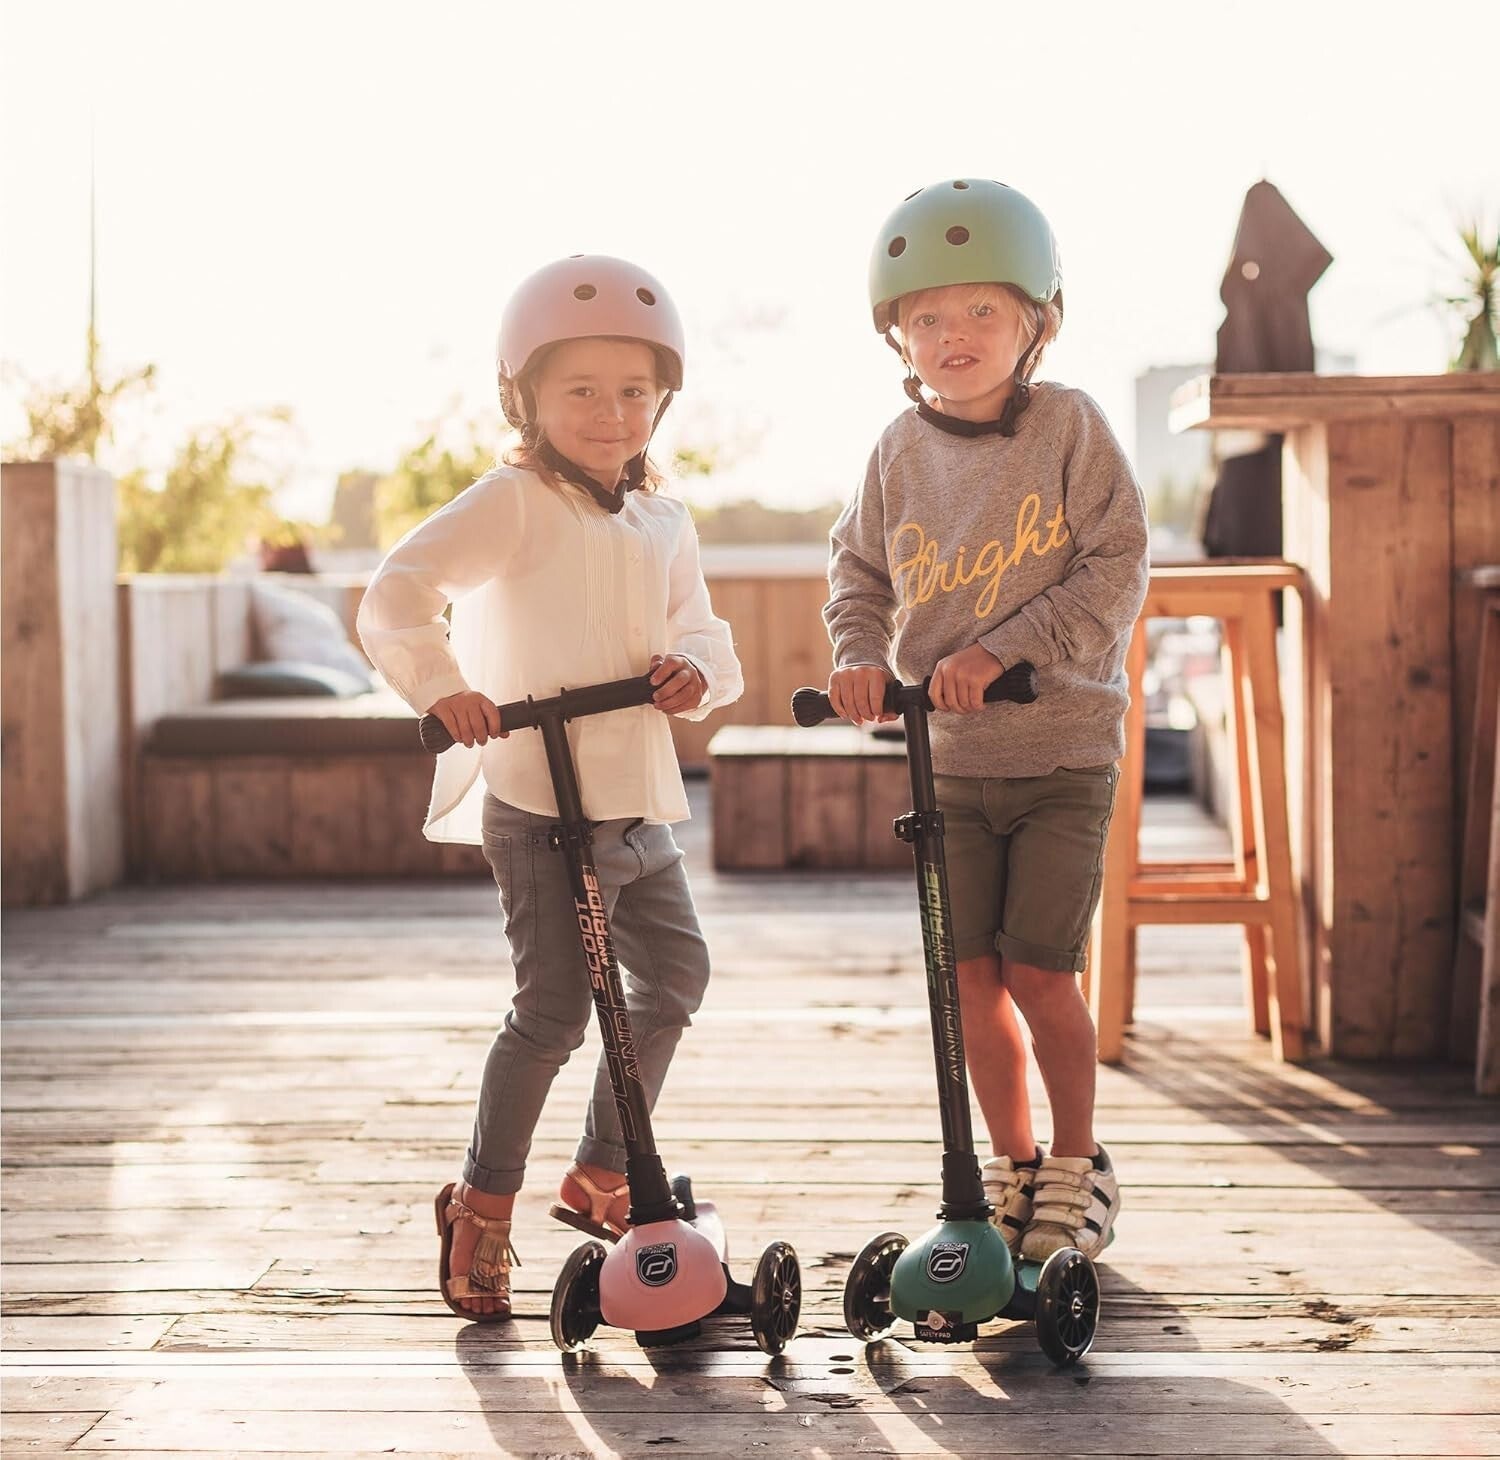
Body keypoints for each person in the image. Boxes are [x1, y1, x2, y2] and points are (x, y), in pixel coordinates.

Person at [357, 256, 743, 1319]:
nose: (611, 413)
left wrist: (696, 670)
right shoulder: (514, 502)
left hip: (638, 799)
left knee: (676, 974)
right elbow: (397, 592)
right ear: (524, 396)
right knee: (555, 1010)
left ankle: (603, 1169)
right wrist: (445, 687)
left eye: (634, 391)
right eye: (581, 390)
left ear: (663, 399)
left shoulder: (663, 521)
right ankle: (481, 1203)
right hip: (538, 802)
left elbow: (707, 634)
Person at [823, 180, 1148, 1260]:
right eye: (926, 317)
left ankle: (1077, 1166)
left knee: (1042, 972)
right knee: (967, 981)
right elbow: (859, 573)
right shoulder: (895, 451)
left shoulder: (1070, 427)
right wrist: (860, 657)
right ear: (898, 338)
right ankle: (1013, 1167)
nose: (952, 334)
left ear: (1034, 323)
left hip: (1060, 753)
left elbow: (1116, 565)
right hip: (949, 763)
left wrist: (1004, 648)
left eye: (979, 311)